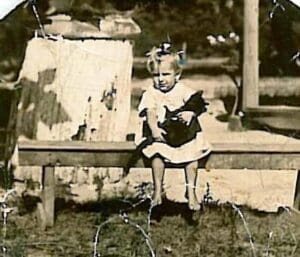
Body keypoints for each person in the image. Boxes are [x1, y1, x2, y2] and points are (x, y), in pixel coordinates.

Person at [137, 43, 211, 210]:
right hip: (161, 135)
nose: (161, 79)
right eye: (156, 75)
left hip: (182, 136)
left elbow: (197, 102)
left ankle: (191, 192)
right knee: (157, 155)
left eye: (166, 74)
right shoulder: (151, 92)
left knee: (192, 158)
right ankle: (157, 190)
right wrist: (155, 130)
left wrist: (190, 113)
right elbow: (149, 113)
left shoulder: (182, 90)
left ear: (177, 75)